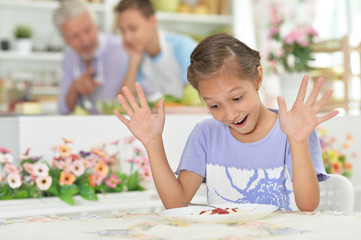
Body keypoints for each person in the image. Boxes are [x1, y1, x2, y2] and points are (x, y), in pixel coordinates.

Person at [114, 33, 338, 211]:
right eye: (214, 106)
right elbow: (176, 204)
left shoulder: (293, 130)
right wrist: (153, 143)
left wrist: (297, 142)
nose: (230, 114)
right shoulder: (205, 134)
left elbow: (308, 206)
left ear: (258, 78)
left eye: (237, 98)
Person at [53, 0, 128, 114]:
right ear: (66, 41)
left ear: (96, 26)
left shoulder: (117, 49)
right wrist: (74, 89)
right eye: (75, 36)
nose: (85, 41)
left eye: (87, 30)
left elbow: (107, 105)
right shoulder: (69, 56)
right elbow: (63, 108)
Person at [114, 0, 197, 101]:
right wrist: (133, 62)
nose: (127, 38)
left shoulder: (182, 47)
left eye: (133, 29)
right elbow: (123, 102)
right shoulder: (137, 56)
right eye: (122, 31)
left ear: (153, 21)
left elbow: (196, 96)